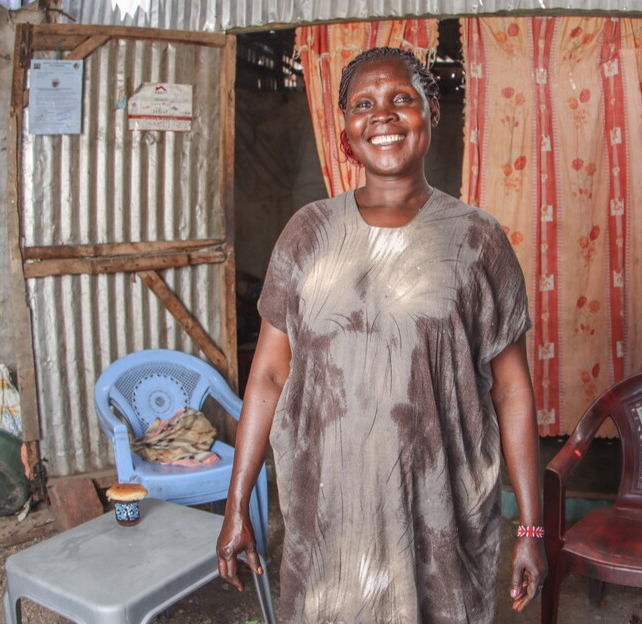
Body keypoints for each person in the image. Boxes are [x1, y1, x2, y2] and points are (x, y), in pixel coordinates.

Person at [216, 46, 548, 623]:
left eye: (401, 99)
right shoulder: (307, 234)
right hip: (329, 524)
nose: (383, 115)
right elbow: (269, 374)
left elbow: (512, 390)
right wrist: (236, 502)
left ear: (431, 111)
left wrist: (532, 526)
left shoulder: (477, 241)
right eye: (363, 104)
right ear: (346, 131)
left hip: (438, 525)